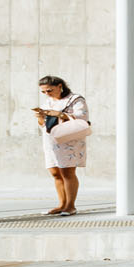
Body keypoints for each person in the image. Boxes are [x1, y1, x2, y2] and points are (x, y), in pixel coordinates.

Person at [31, 76, 89, 216]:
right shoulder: (49, 101)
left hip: (69, 140)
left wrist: (59, 114)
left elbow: (83, 118)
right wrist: (40, 116)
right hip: (51, 140)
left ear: (60, 86)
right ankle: (61, 204)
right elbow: (44, 125)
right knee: (55, 173)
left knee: (67, 172)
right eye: (43, 92)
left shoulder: (75, 99)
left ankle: (70, 206)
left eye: (49, 90)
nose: (47, 94)